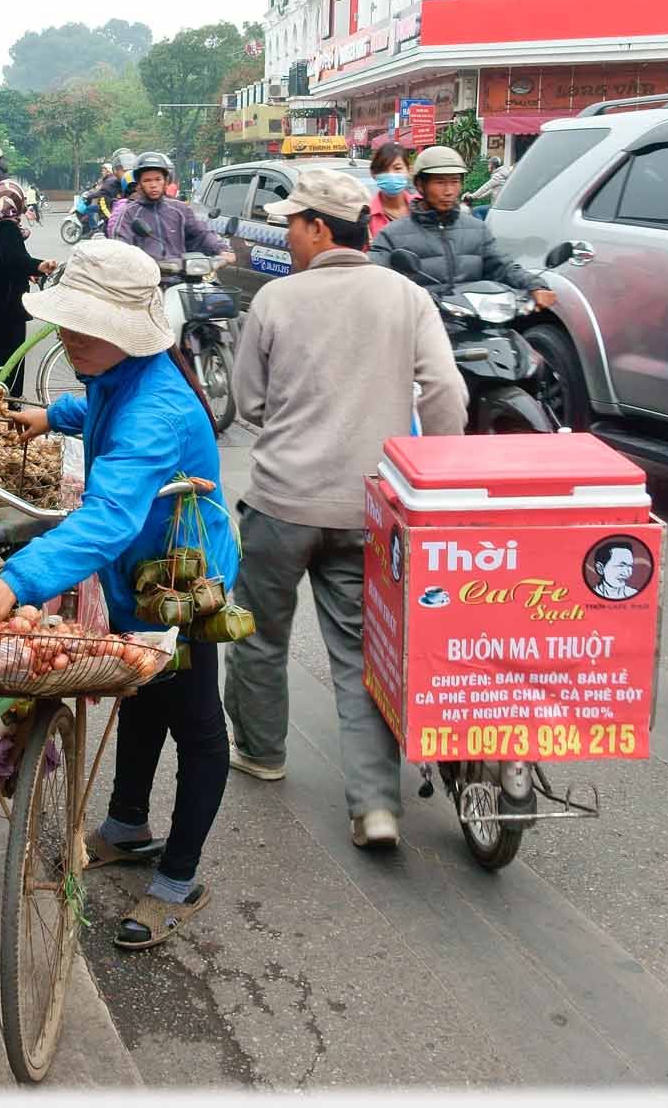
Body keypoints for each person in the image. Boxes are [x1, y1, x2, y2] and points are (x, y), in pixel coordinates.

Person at [0, 237, 237, 950]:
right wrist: (54, 418)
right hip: (135, 573)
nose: (71, 335)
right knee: (141, 697)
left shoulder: (157, 411)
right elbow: (99, 408)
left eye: (87, 324)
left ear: (128, 330)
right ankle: (128, 825)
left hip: (183, 582)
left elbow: (108, 516)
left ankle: (178, 880)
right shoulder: (120, 375)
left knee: (195, 725)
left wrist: (15, 580)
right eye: (68, 321)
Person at [223, 168, 466, 847]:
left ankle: (263, 752)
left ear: (319, 228)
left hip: (281, 503)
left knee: (258, 635)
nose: (288, 233)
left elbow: (250, 403)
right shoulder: (405, 295)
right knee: (362, 652)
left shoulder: (277, 300)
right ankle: (375, 806)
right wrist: (435, 470)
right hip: (370, 508)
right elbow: (445, 391)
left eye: (293, 222)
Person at [370, 146, 552, 309]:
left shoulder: (477, 229)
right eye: (440, 182)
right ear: (420, 185)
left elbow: (501, 266)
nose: (449, 191)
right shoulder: (392, 236)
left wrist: (533, 284)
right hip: (421, 328)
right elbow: (373, 279)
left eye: (455, 181)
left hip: (474, 327)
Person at [0, 181, 57, 397]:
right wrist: (38, 266)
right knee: (8, 358)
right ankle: (8, 402)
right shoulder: (7, 227)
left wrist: (30, 270)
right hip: (3, 304)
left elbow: (3, 259)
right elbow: (13, 258)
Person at [105, 151, 231, 268]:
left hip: (182, 278)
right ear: (139, 184)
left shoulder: (180, 209)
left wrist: (222, 249)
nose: (153, 185)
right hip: (145, 280)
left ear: (166, 181)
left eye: (158, 179)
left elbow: (201, 233)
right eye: (147, 180)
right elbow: (120, 247)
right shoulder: (129, 213)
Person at [366, 141, 416, 239]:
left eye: (397, 168)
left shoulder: (423, 207)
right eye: (383, 169)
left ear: (409, 171)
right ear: (373, 174)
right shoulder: (366, 217)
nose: (391, 174)